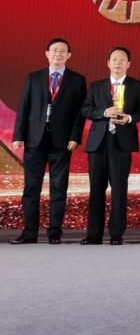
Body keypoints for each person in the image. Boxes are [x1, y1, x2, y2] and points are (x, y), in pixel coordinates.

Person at [10, 38, 87, 245]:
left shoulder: (77, 80)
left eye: (62, 51)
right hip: (34, 140)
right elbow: (24, 107)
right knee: (31, 188)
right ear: (47, 53)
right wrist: (18, 136)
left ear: (68, 56)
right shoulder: (33, 78)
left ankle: (54, 232)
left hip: (62, 142)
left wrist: (75, 136)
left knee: (58, 188)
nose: (58, 54)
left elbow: (80, 113)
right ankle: (29, 233)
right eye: (54, 50)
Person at [80, 46, 140, 245]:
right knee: (96, 190)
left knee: (119, 189)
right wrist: (104, 112)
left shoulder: (137, 85)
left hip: (121, 143)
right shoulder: (96, 86)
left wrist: (129, 118)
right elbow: (85, 109)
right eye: (114, 59)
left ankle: (116, 234)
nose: (118, 63)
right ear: (108, 63)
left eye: (122, 60)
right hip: (98, 143)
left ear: (128, 64)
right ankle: (93, 235)